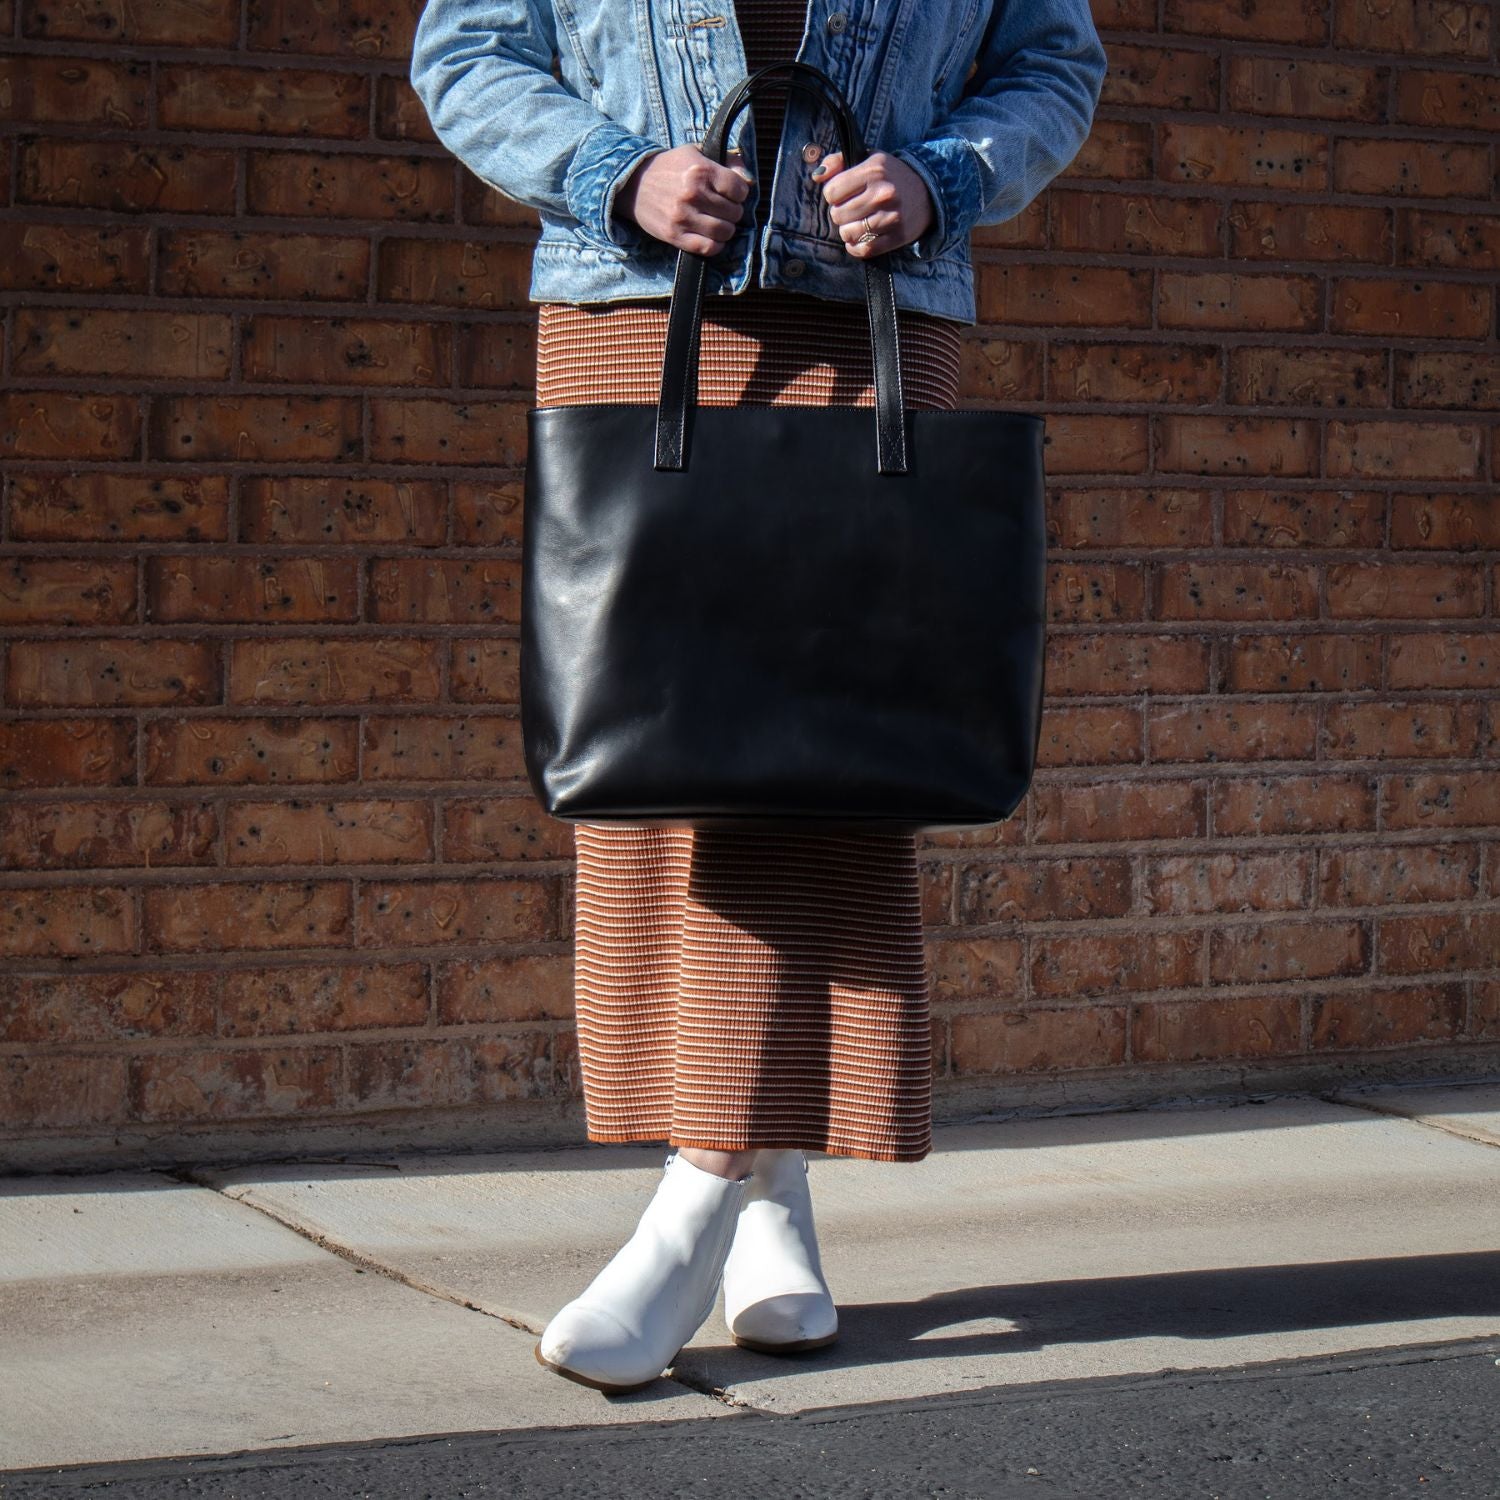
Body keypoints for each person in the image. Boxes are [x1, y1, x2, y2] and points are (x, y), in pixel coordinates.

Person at [410, 0, 1107, 1395]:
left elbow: (1053, 59)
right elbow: (466, 50)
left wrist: (940, 178)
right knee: (660, 759)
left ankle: (695, 1202)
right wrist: (619, 170)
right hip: (634, 298)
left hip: (877, 315)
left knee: (824, 766)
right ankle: (768, 1196)